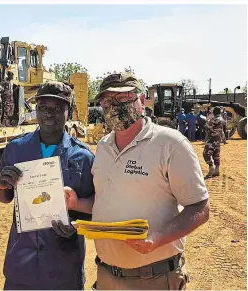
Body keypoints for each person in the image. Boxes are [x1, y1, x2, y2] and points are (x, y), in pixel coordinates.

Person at [66, 72, 209, 290]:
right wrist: (77, 203)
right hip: (107, 276)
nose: (114, 107)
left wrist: (158, 238)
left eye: (122, 99)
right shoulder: (104, 146)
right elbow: (106, 201)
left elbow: (200, 207)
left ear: (141, 100)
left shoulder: (170, 144)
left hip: (154, 279)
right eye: (107, 101)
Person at [0, 81, 95, 290]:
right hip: (21, 266)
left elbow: (94, 208)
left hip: (64, 268)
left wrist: (75, 227)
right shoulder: (15, 149)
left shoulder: (83, 157)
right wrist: (2, 186)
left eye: (58, 108)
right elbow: (4, 197)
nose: (49, 114)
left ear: (69, 111)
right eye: (43, 108)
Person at [203, 106, 225, 178]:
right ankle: (217, 170)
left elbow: (207, 127)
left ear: (214, 112)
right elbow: (222, 130)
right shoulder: (222, 119)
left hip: (212, 139)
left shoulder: (213, 119)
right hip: (218, 140)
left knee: (206, 154)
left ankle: (211, 167)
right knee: (216, 155)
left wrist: (206, 122)